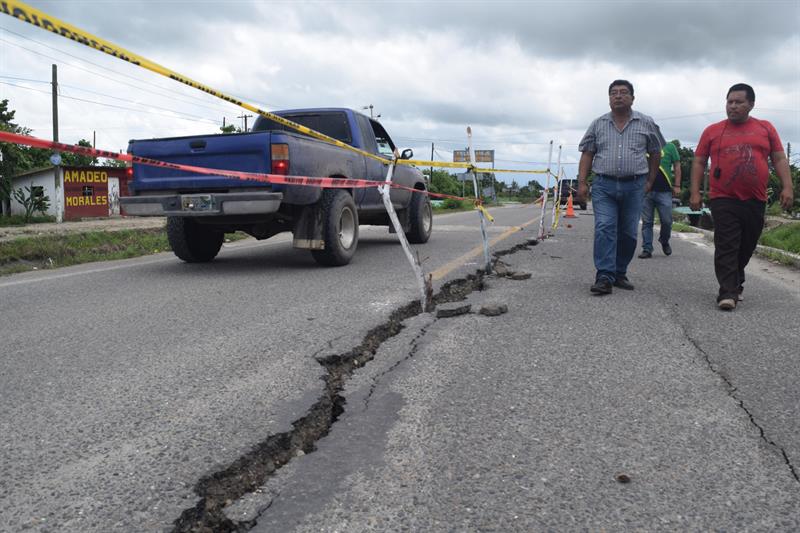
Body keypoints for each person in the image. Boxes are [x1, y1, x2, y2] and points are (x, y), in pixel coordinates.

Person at [689, 83, 794, 311]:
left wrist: (788, 187)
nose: (733, 106)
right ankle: (727, 292)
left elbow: (779, 159)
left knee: (747, 244)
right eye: (730, 102)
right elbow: (698, 161)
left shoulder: (765, 128)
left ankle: (736, 281)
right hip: (722, 197)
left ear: (751, 104)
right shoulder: (712, 131)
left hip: (755, 199)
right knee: (727, 243)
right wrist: (695, 192)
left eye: (739, 102)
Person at [577, 79, 665, 295]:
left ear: (632, 98)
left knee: (628, 233)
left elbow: (655, 153)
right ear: (609, 99)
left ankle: (619, 272)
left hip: (635, 185)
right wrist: (581, 183)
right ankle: (604, 276)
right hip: (603, 185)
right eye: (613, 93)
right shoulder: (598, 124)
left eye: (623, 92)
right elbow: (587, 153)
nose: (618, 96)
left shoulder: (646, 122)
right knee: (605, 228)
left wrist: (650, 181)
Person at [639, 140, 681, 258]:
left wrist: (677, 185)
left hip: (665, 191)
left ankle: (664, 240)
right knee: (647, 221)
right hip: (646, 190)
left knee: (667, 221)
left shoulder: (670, 147)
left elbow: (677, 166)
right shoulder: (642, 145)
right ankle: (647, 248)